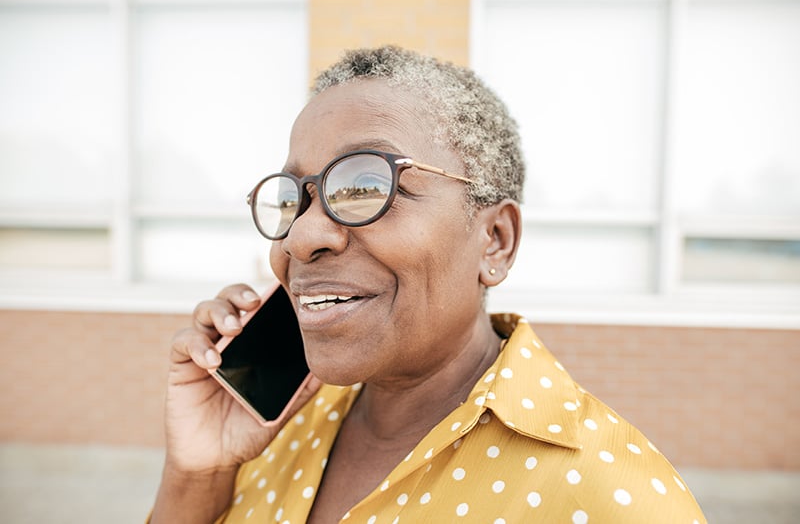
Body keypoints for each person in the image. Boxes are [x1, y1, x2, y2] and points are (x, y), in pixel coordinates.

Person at [150, 46, 706, 523]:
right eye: (295, 197)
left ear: (495, 241)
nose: (301, 237)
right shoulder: (273, 427)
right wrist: (199, 473)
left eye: (367, 184)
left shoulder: (612, 496)